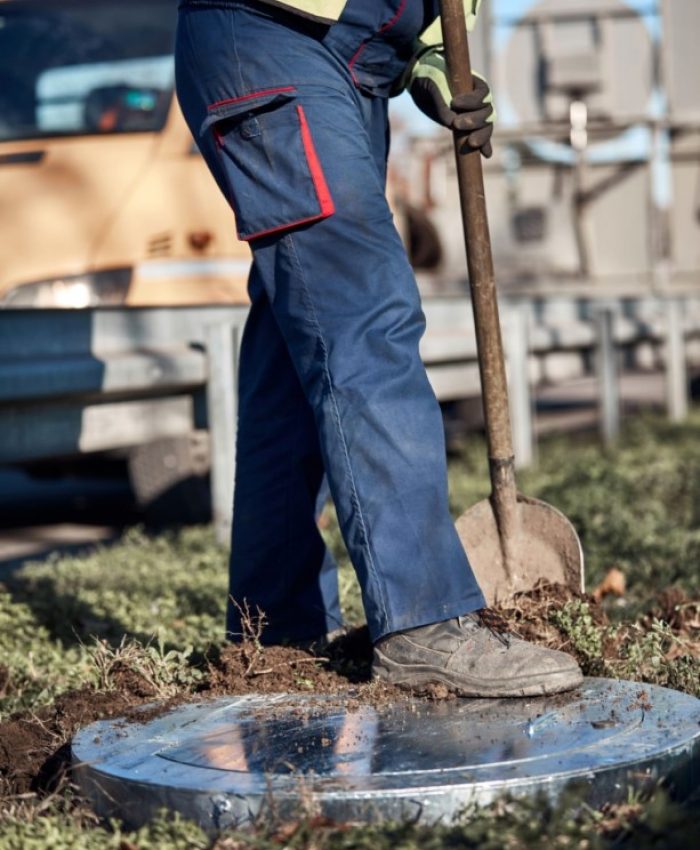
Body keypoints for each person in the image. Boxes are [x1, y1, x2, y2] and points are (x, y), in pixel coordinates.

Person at [175, 0, 583, 697]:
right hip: (275, 36)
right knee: (364, 313)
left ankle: (275, 630)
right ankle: (423, 621)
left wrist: (431, 64)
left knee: (298, 343)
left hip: (359, 72)